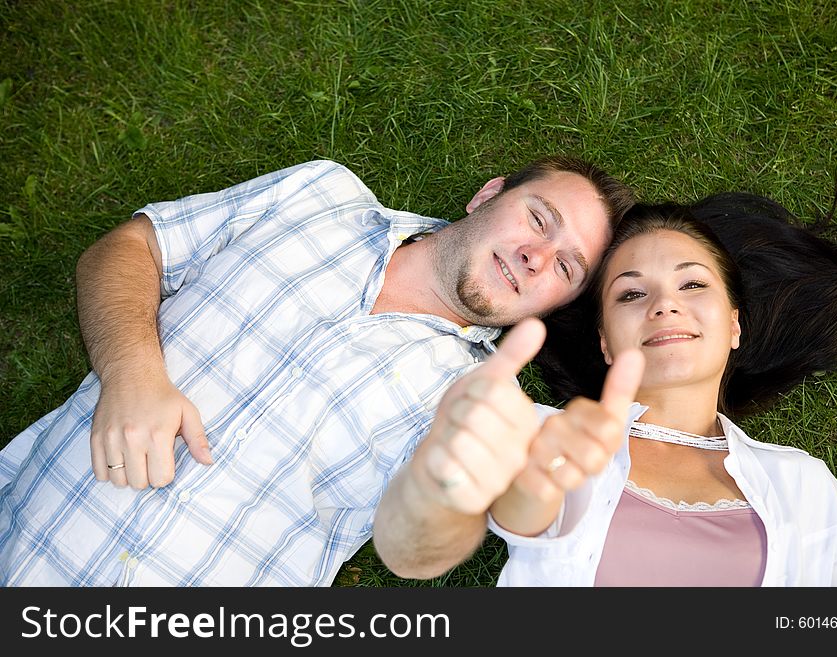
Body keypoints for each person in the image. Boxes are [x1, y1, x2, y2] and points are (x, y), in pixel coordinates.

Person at [0, 156, 635, 586]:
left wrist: (500, 487)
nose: (535, 256)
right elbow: (130, 248)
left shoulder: (474, 401)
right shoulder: (320, 195)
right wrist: (132, 371)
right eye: (538, 219)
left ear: (558, 306)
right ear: (488, 194)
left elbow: (413, 547)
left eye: (566, 268)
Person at [373, 192, 837, 586]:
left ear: (734, 326)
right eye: (632, 293)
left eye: (694, 284)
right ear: (606, 344)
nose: (664, 304)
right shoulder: (550, 436)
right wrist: (440, 487)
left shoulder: (803, 485)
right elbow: (412, 552)